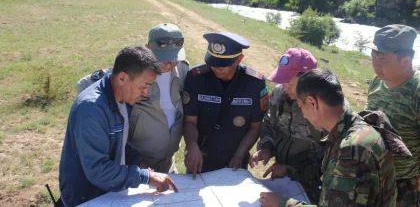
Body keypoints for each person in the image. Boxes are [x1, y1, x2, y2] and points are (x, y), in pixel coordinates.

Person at [260, 68, 410, 207]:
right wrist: (290, 171)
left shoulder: (353, 148)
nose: (304, 115)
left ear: (312, 103)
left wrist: (282, 203)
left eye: (301, 106)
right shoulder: (351, 131)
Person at [59, 45, 178, 207]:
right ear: (122, 78)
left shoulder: (123, 99)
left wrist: (139, 163)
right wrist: (144, 177)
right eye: (144, 86)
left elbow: (119, 143)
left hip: (110, 194)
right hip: (87, 198)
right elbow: (98, 170)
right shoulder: (91, 109)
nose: (146, 93)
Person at [75, 23, 189, 173]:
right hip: (135, 165)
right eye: (163, 59)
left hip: (167, 164)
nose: (168, 65)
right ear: (148, 49)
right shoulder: (134, 72)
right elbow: (83, 85)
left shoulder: (183, 70)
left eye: (173, 59)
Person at [182, 32, 269, 178]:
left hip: (235, 159)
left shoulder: (254, 83)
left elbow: (255, 127)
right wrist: (192, 146)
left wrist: (239, 156)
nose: (217, 68)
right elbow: (190, 121)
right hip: (201, 156)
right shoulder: (196, 78)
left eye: (223, 64)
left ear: (239, 59)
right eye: (213, 62)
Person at [249, 48, 324, 204]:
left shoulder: (322, 108)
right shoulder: (279, 94)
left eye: (290, 82)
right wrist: (267, 147)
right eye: (282, 80)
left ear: (308, 81)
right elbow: (269, 124)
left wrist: (291, 171)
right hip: (282, 179)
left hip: (311, 188)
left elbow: (327, 164)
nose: (285, 87)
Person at [364, 24, 420, 207]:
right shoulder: (376, 82)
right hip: (373, 175)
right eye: (373, 57)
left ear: (405, 61)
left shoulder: (416, 90)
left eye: (383, 60)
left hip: (403, 184)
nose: (375, 64)